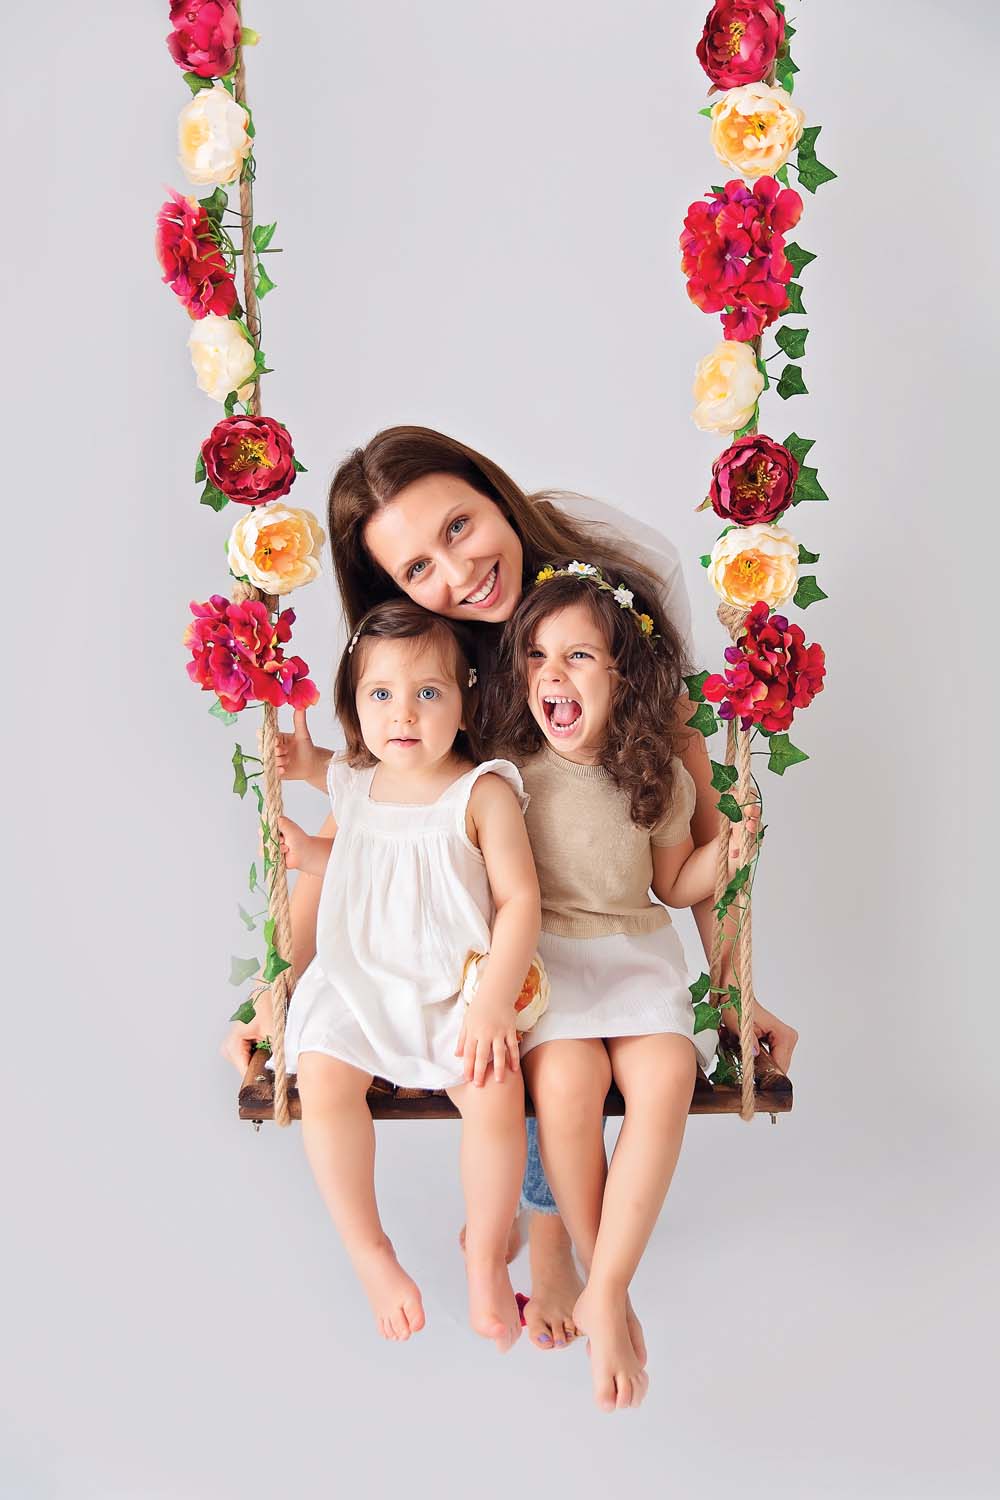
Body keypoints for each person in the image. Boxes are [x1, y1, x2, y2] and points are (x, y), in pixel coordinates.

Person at [222, 424, 799, 1352]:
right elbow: (356, 836)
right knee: (519, 1013)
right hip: (502, 937)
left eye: (459, 526)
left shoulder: (605, 607)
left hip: (589, 919)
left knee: (554, 1024)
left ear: (494, 492)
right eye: (418, 569)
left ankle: (553, 1234)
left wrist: (738, 988)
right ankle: (545, 1229)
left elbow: (689, 815)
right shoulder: (429, 668)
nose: (458, 574)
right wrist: (274, 987)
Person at [486, 559, 754, 1410]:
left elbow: (673, 884)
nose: (552, 676)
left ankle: (603, 1282)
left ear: (622, 675)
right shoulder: (508, 771)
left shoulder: (655, 775)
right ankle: (606, 1281)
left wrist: (729, 849)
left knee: (667, 1071)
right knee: (568, 1081)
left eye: (577, 657)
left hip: (635, 957)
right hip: (547, 962)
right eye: (537, 656)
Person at [258, 598, 541, 1352]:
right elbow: (362, 861)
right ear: (355, 705)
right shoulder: (356, 781)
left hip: (454, 990)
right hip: (359, 978)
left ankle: (485, 1252)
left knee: (496, 1091)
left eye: (428, 692)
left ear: (466, 702)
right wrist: (305, 842)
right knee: (323, 1076)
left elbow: (520, 902)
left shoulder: (482, 792)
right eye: (380, 693)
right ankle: (370, 1251)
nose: (403, 714)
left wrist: (491, 1003)